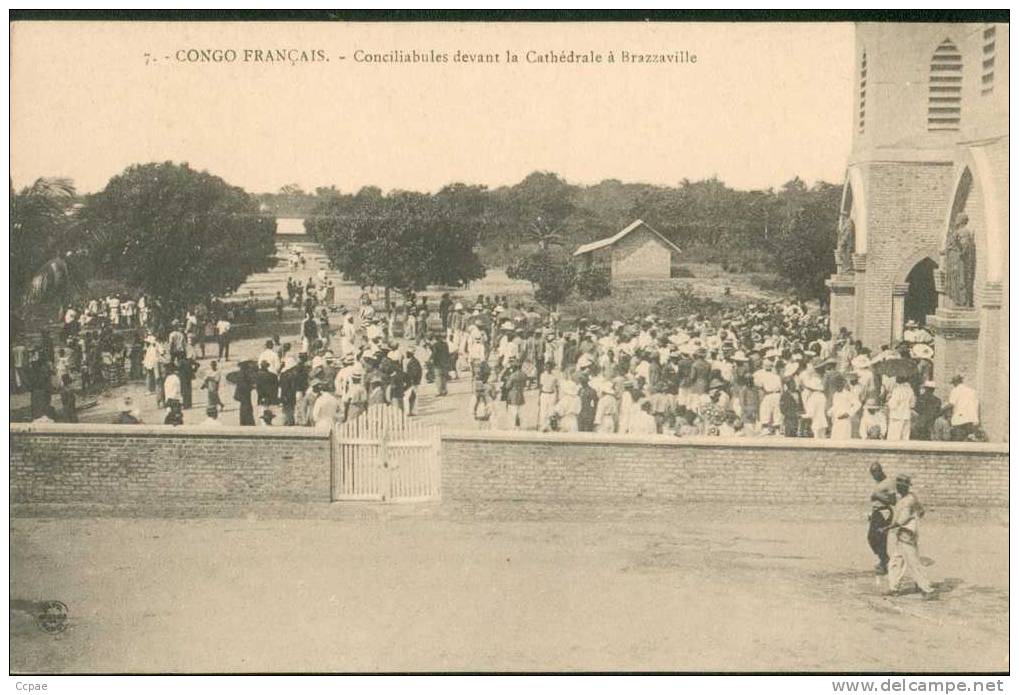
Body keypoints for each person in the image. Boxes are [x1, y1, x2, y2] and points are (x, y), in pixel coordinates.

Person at [886, 474, 935, 599]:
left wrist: (889, 527)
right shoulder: (910, 497)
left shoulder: (908, 500)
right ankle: (894, 588)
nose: (898, 488)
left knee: (913, 562)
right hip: (903, 533)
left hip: (906, 533)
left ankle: (927, 590)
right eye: (898, 485)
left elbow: (904, 518)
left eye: (901, 486)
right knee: (896, 560)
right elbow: (921, 511)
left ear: (906, 487)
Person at [867, 463, 896, 576]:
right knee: (871, 538)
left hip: (884, 513)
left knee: (881, 538)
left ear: (880, 471)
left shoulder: (889, 483)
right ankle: (884, 559)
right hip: (877, 512)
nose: (874, 476)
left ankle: (884, 564)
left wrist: (878, 496)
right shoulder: (878, 483)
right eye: (872, 474)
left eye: (875, 473)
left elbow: (893, 501)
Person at [947, 375, 979, 440]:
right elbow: (976, 404)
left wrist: (941, 410)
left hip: (959, 418)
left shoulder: (955, 390)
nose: (953, 385)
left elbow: (951, 404)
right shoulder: (972, 391)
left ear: (956, 382)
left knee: (958, 439)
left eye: (953, 383)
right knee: (969, 439)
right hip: (971, 418)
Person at [828, 375, 860, 440]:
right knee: (834, 442)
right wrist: (830, 411)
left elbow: (858, 404)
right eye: (835, 385)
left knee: (843, 441)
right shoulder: (835, 394)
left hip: (845, 421)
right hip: (836, 421)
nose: (837, 386)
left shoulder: (848, 394)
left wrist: (848, 413)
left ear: (842, 384)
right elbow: (836, 406)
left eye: (839, 384)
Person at [886, 375, 916, 441]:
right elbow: (912, 404)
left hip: (896, 417)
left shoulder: (897, 390)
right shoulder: (910, 390)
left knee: (894, 439)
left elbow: (892, 405)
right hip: (906, 416)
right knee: (905, 438)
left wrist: (888, 400)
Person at [537, 362, 559, 432]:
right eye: (546, 367)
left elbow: (557, 387)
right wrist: (539, 397)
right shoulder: (542, 375)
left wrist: (557, 397)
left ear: (551, 368)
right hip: (544, 394)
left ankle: (550, 426)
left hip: (551, 395)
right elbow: (540, 387)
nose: (548, 368)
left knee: (551, 411)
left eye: (549, 367)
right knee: (543, 411)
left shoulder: (554, 376)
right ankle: (543, 426)